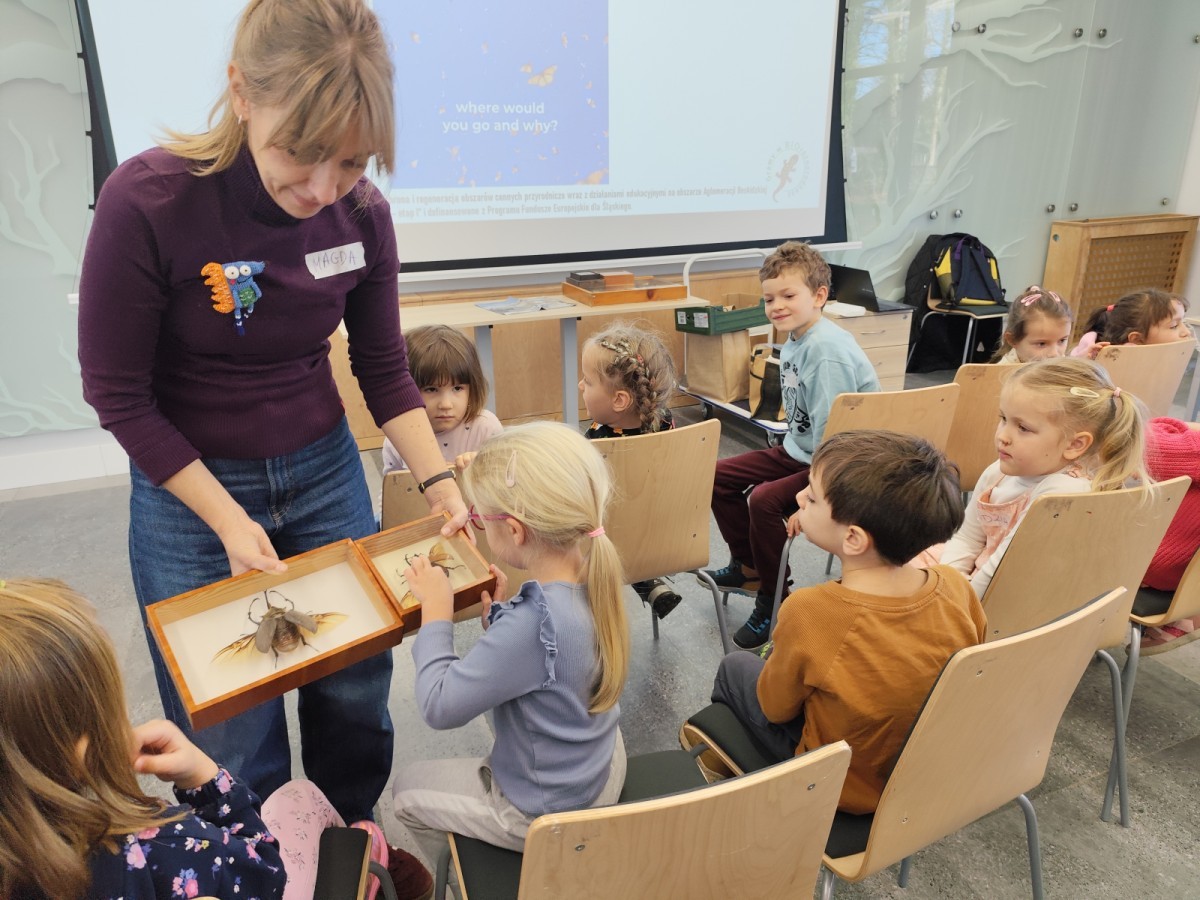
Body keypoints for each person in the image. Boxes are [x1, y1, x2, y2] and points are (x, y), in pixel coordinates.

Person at [76, 0, 467, 832]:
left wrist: (440, 482)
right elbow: (118, 393)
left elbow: (383, 369)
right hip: (190, 493)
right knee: (231, 720)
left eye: (352, 161)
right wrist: (227, 519)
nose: (321, 189)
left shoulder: (363, 215)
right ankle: (255, 862)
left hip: (324, 467)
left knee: (354, 689)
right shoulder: (148, 200)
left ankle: (348, 844)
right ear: (241, 93)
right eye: (300, 151)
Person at [700, 431, 985, 815]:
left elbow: (775, 709)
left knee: (734, 666)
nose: (799, 498)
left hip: (839, 783)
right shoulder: (955, 586)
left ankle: (724, 772)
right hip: (919, 774)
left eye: (812, 497)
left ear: (853, 538)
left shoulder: (810, 611)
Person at [391, 422, 629, 870]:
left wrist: (436, 614)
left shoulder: (532, 625)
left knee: (405, 791)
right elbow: (549, 658)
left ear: (515, 531)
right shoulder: (595, 571)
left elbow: (439, 707)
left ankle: (477, 876)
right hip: (601, 769)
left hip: (546, 810)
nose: (476, 523)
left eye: (480, 517)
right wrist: (502, 622)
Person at [0, 578, 285, 900]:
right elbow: (265, 874)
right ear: (84, 748)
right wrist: (205, 779)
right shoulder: (161, 844)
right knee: (302, 805)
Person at [705, 241, 879, 649]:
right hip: (801, 449)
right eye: (769, 299)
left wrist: (812, 495)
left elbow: (836, 437)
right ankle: (749, 567)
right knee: (717, 476)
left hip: (840, 460)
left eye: (788, 296)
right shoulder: (799, 339)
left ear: (819, 296)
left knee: (764, 501)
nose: (776, 306)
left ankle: (775, 599)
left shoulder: (825, 349)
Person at [938, 357, 1149, 598]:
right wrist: (947, 583)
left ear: (1075, 445)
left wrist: (953, 603)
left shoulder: (1061, 494)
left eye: (1023, 428)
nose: (1003, 436)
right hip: (977, 588)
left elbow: (1001, 574)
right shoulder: (998, 472)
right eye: (1004, 419)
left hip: (1009, 601)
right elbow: (966, 538)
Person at [579, 321, 682, 618]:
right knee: (626, 523)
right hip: (665, 530)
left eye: (588, 381)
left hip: (606, 542)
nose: (581, 385)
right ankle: (647, 582)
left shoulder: (597, 440)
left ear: (619, 400)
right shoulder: (666, 423)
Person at [381, 324, 503, 475]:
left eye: (457, 388)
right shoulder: (397, 436)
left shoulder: (486, 427)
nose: (446, 404)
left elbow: (507, 480)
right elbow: (393, 486)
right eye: (431, 389)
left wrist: (480, 468)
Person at [1139, 418, 1200, 654]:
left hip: (1149, 567)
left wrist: (1185, 427)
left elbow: (1136, 442)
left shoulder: (1193, 451)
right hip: (1185, 580)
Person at [1070, 288, 1192, 359]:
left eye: (1183, 322)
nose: (1186, 332)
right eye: (1174, 326)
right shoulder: (1118, 365)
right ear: (1137, 339)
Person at [991, 285, 1073, 363]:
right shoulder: (1002, 371)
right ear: (1012, 340)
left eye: (1062, 340)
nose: (1054, 354)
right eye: (1042, 344)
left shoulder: (1060, 360)